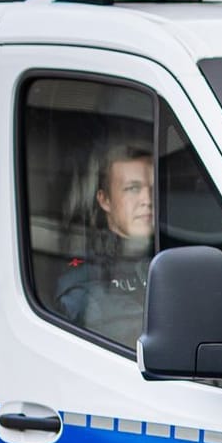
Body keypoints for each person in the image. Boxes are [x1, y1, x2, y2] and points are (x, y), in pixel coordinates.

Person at [56, 142, 155, 345]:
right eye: (133, 188)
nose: (147, 199)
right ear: (104, 200)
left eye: (154, 188)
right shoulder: (85, 278)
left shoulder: (176, 253)